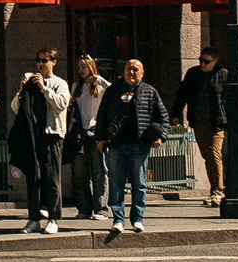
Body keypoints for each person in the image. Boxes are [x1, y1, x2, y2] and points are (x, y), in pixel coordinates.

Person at [97, 58, 169, 233]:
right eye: (129, 68)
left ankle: (137, 219)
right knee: (116, 183)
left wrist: (162, 138)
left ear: (142, 73)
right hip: (116, 145)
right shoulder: (112, 91)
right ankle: (118, 219)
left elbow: (163, 118)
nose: (131, 72)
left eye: (136, 69)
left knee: (139, 184)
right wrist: (100, 138)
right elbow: (102, 116)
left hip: (139, 145)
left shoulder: (149, 92)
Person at [12, 50, 71, 234]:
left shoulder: (59, 83)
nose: (40, 64)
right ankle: (34, 218)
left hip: (52, 135)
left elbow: (61, 104)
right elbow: (15, 108)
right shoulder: (31, 84)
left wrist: (44, 88)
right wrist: (22, 90)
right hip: (33, 136)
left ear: (54, 62)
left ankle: (53, 218)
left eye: (44, 61)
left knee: (52, 178)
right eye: (37, 61)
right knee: (33, 179)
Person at [174, 49, 228, 207]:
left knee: (214, 153)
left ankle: (219, 191)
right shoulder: (193, 74)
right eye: (201, 60)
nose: (203, 64)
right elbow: (182, 94)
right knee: (207, 156)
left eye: (206, 61)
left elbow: (229, 98)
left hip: (216, 122)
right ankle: (215, 189)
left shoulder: (223, 74)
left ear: (215, 61)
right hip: (199, 121)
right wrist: (176, 113)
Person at [64, 55, 106, 222]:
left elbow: (113, 92)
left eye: (84, 66)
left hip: (96, 131)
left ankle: (101, 208)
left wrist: (100, 80)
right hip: (80, 133)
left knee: (99, 172)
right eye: (79, 67)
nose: (81, 70)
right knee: (80, 173)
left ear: (91, 67)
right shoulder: (76, 87)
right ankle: (84, 208)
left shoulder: (99, 86)